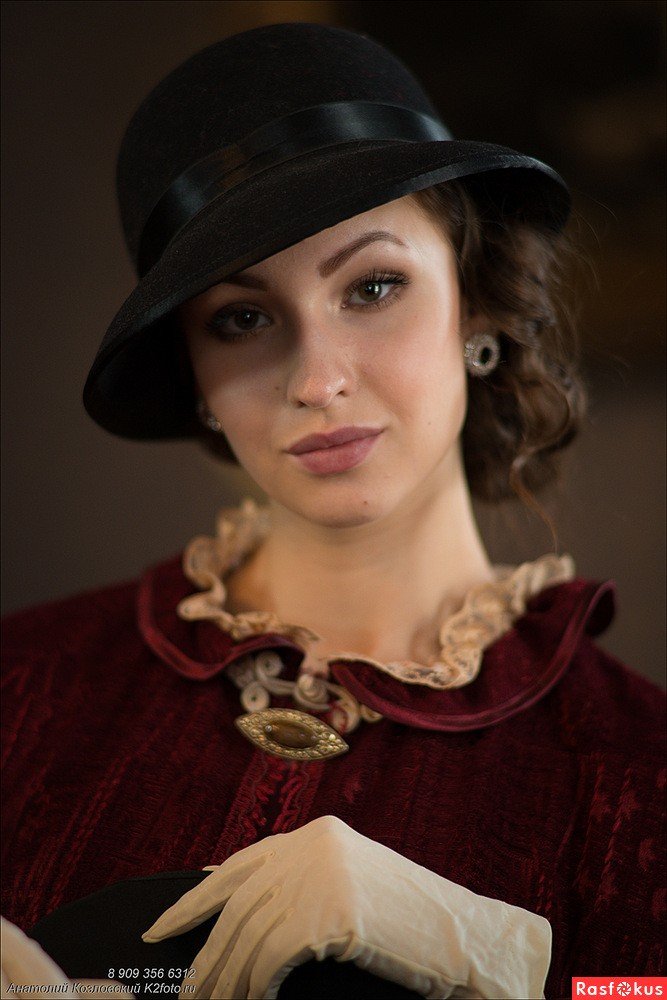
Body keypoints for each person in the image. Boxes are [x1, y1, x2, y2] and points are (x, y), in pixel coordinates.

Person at [1, 21, 664, 1000]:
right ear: (195, 377)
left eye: (373, 286)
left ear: (476, 306)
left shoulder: (639, 771)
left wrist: (531, 977)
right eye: (242, 318)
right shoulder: (20, 691)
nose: (316, 380)